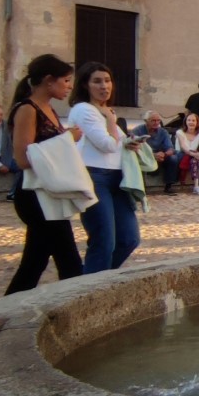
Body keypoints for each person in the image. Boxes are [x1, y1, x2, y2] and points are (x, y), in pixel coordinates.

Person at [5, 54, 84, 293]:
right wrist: (67, 138)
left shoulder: (47, 108)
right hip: (34, 195)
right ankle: (77, 305)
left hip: (48, 193)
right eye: (66, 80)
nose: (69, 86)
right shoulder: (27, 110)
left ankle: (8, 308)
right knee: (67, 261)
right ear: (49, 80)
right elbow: (23, 158)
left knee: (35, 262)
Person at [69, 61, 142, 274]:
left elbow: (117, 142)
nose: (104, 86)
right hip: (94, 177)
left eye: (107, 81)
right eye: (97, 81)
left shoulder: (106, 111)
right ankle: (91, 285)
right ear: (85, 85)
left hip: (117, 178)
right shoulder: (84, 110)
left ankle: (95, 278)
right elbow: (108, 144)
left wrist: (130, 143)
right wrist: (111, 119)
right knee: (103, 241)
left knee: (129, 238)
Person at [131, 110, 179, 193]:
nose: (156, 123)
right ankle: (140, 188)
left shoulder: (163, 132)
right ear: (146, 121)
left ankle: (169, 186)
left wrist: (164, 154)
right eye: (153, 120)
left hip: (160, 156)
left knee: (173, 158)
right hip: (143, 156)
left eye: (158, 120)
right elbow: (134, 148)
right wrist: (152, 155)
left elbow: (170, 149)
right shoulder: (137, 131)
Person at [175, 112, 199, 195]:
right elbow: (184, 148)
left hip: (193, 156)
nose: (191, 122)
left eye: (193, 120)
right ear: (185, 122)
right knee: (195, 157)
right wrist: (196, 154)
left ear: (197, 123)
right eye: (189, 120)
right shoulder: (180, 132)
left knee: (195, 159)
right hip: (181, 154)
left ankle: (197, 186)